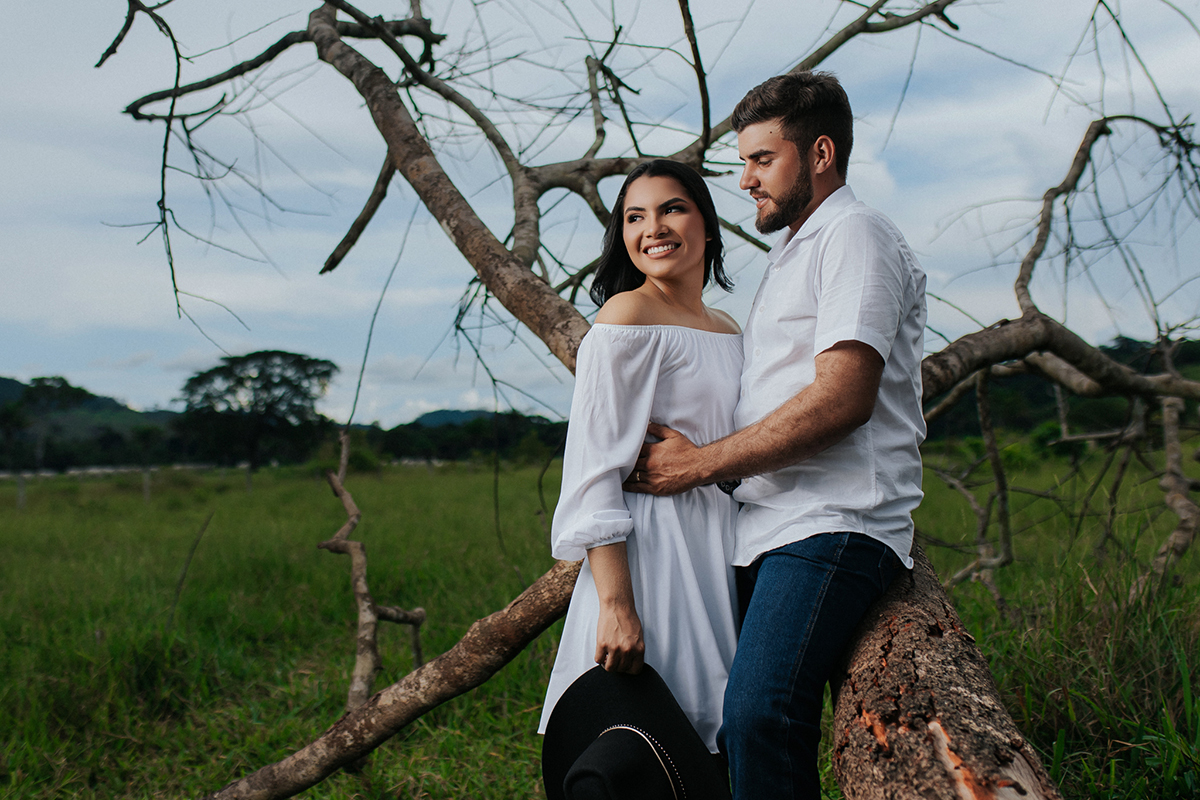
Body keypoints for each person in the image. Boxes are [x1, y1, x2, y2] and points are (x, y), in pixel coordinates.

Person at [625, 72, 927, 798]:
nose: (745, 180)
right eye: (743, 162)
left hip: (833, 521)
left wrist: (696, 465)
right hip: (766, 524)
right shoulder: (794, 251)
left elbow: (842, 398)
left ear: (820, 154)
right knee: (706, 717)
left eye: (762, 159)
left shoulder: (854, 234)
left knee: (761, 715)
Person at [538, 159, 743, 767]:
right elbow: (595, 470)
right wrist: (617, 606)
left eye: (672, 208)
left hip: (720, 545)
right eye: (635, 217)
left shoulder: (729, 327)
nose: (653, 228)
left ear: (707, 223)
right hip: (654, 552)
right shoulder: (626, 315)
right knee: (651, 744)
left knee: (716, 747)